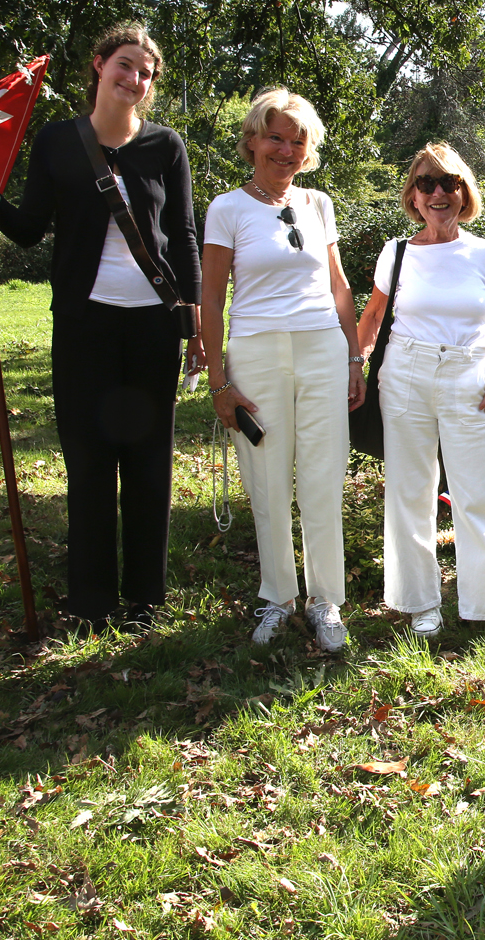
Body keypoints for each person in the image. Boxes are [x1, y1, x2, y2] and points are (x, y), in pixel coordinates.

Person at [0, 23, 202, 631]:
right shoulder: (58, 141)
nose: (135, 79)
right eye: (126, 65)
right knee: (87, 461)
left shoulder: (166, 146)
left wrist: (192, 322)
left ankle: (143, 599)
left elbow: (183, 236)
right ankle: (90, 602)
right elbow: (31, 227)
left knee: (147, 460)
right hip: (84, 325)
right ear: (99, 63)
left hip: (152, 326)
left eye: (146, 73)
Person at [354, 144, 485, 641]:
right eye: (426, 184)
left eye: (448, 183)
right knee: (410, 494)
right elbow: (372, 317)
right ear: (413, 196)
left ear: (464, 192)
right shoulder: (396, 253)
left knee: (483, 493)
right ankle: (420, 604)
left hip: (470, 377)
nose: (438, 193)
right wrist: (355, 366)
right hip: (405, 375)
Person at [201, 89, 365, 650]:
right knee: (267, 481)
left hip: (322, 349)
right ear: (252, 140)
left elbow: (339, 286)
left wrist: (354, 357)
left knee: (322, 478)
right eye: (276, 137)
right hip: (256, 351)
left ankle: (326, 602)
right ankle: (277, 598)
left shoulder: (319, 204)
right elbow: (212, 298)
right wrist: (220, 383)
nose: (287, 150)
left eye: (298, 142)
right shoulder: (227, 208)